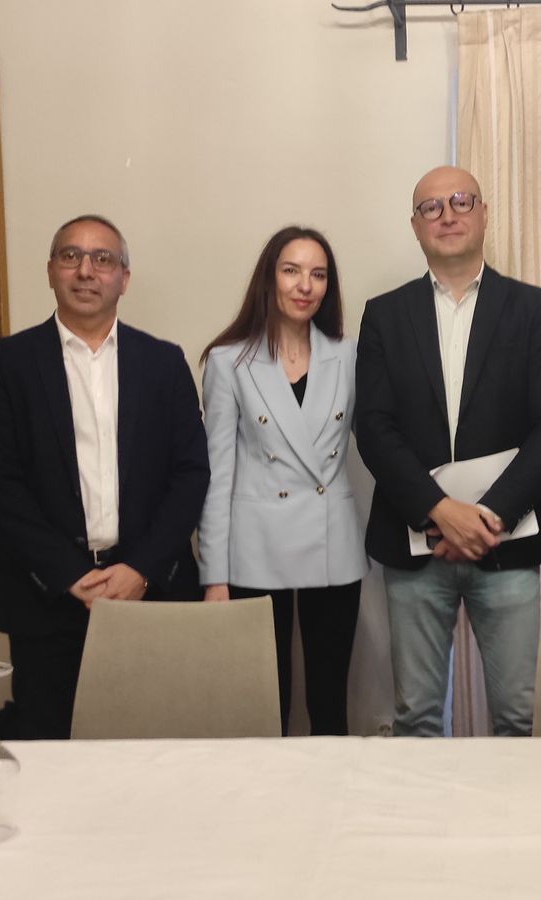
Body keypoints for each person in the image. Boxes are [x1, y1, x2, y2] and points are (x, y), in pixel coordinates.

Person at [355, 166, 541, 737]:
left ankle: (513, 827)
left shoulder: (536, 309)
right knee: (417, 717)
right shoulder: (384, 315)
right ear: (415, 226)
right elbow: (374, 427)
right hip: (416, 545)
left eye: (460, 201)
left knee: (521, 716)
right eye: (431, 207)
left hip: (506, 541)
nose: (447, 214)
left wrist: (490, 516)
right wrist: (441, 512)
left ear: (483, 212)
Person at [0, 214, 209, 740]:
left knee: (157, 745)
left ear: (124, 277)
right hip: (47, 598)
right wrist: (68, 574)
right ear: (50, 271)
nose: (85, 270)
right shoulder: (5, 365)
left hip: (148, 593)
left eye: (103, 259)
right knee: (55, 754)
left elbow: (191, 474)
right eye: (70, 256)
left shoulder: (164, 363)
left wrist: (139, 568)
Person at [197, 226, 367, 736]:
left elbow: (381, 440)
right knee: (264, 704)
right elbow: (217, 473)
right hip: (254, 549)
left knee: (329, 703)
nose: (305, 285)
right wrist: (214, 576)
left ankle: (329, 811)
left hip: (331, 542)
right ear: (269, 279)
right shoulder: (230, 361)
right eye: (291, 270)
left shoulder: (349, 355)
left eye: (318, 274)